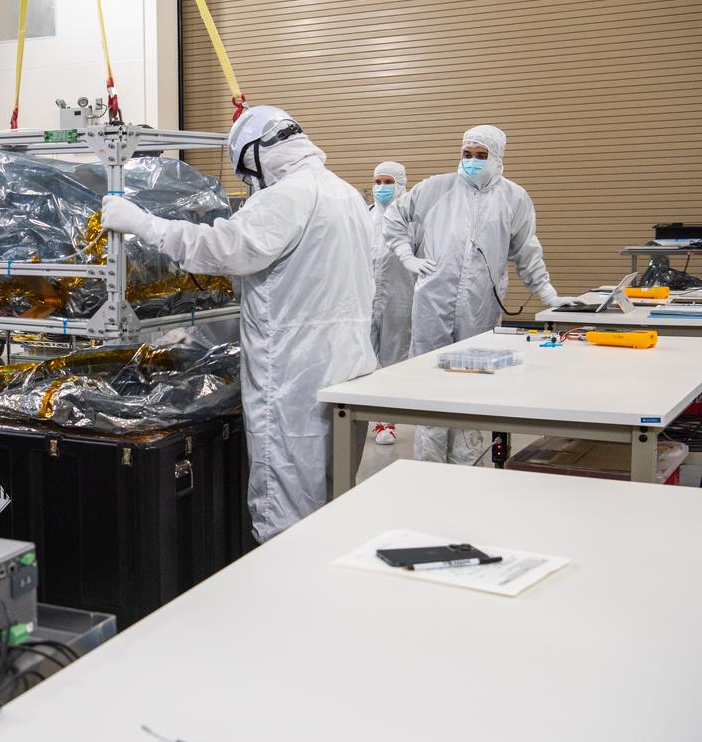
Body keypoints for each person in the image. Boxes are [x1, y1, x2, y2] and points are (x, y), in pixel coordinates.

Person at [101, 106, 376, 542]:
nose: (250, 183)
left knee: (285, 499)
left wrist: (144, 224)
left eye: (247, 171)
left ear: (256, 155)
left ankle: (285, 593)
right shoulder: (343, 193)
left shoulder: (287, 195)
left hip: (293, 374)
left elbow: (223, 248)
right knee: (333, 489)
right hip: (347, 365)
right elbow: (302, 279)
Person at [383, 124, 577, 465]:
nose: (472, 162)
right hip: (433, 301)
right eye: (467, 154)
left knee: (473, 384)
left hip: (480, 306)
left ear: (497, 157)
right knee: (433, 382)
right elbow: (395, 217)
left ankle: (467, 467)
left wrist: (548, 294)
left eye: (481, 156)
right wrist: (406, 256)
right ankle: (428, 470)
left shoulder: (514, 197)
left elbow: (527, 252)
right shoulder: (436, 187)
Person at [369, 160, 414, 445]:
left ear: (401, 185)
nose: (382, 188)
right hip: (367, 297)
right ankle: (364, 416)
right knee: (364, 356)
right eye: (378, 182)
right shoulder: (365, 215)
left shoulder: (411, 219)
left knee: (394, 358)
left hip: (400, 298)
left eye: (389, 183)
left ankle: (387, 422)